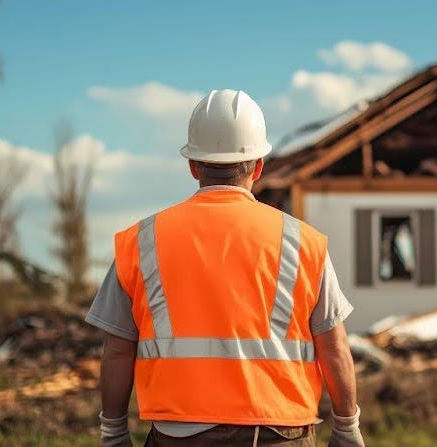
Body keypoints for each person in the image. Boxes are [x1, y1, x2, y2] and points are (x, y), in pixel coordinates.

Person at [84, 89, 365, 447]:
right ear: (259, 166)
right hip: (280, 434)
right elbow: (334, 345)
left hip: (178, 436)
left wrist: (113, 431)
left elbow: (117, 350)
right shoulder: (303, 243)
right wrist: (346, 426)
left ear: (192, 166)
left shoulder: (141, 242)